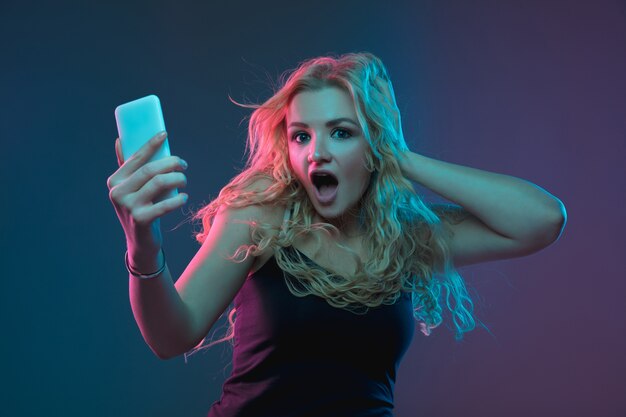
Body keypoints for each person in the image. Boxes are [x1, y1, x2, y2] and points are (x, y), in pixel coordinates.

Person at [107, 52, 566, 417]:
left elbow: (541, 220)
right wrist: (143, 242)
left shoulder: (408, 237)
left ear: (373, 146)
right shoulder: (261, 218)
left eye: (342, 133)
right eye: (301, 136)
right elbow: (171, 338)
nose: (316, 154)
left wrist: (402, 157)